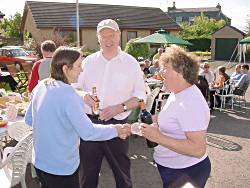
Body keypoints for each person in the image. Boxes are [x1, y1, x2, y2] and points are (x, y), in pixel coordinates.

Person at [25, 47, 131, 188]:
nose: (81, 70)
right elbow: (88, 133)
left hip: (40, 163)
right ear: (65, 68)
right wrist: (116, 130)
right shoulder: (69, 94)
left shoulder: (41, 86)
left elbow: (29, 120)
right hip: (61, 168)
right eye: (78, 66)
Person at [75, 19, 146, 188]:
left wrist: (119, 107)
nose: (108, 40)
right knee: (87, 174)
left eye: (112, 35)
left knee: (122, 174)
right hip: (90, 124)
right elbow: (74, 87)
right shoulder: (88, 62)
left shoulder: (131, 63)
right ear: (98, 38)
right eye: (103, 35)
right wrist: (83, 95)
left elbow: (140, 96)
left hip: (118, 125)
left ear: (119, 35)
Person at [140, 45, 211, 188]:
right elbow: (172, 116)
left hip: (186, 172)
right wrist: (151, 121)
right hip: (174, 169)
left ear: (180, 72)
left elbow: (198, 149)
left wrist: (157, 137)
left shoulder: (190, 102)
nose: (161, 72)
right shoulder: (178, 92)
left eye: (165, 67)